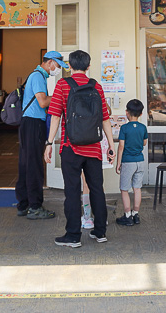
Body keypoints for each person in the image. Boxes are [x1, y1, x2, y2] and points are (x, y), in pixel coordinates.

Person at [44, 49, 115, 247]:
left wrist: (49, 143)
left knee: (72, 192)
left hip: (70, 147)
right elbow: (105, 118)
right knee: (97, 190)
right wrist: (110, 145)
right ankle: (100, 232)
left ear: (70, 66)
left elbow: (56, 116)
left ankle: (73, 236)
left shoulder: (62, 85)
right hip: (93, 148)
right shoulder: (97, 87)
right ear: (89, 66)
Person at [15, 50, 66, 220]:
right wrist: (60, 95)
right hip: (33, 124)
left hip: (29, 124)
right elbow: (42, 101)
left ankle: (24, 204)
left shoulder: (39, 76)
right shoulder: (37, 76)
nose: (57, 69)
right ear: (50, 62)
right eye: (58, 66)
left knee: (26, 164)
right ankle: (35, 207)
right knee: (34, 165)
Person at [114, 99, 148, 227]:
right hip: (140, 161)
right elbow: (144, 143)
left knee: (124, 189)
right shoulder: (143, 127)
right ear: (141, 113)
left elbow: (121, 146)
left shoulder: (124, 128)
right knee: (137, 188)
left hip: (128, 162)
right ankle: (136, 214)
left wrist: (118, 163)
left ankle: (127, 215)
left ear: (127, 113)